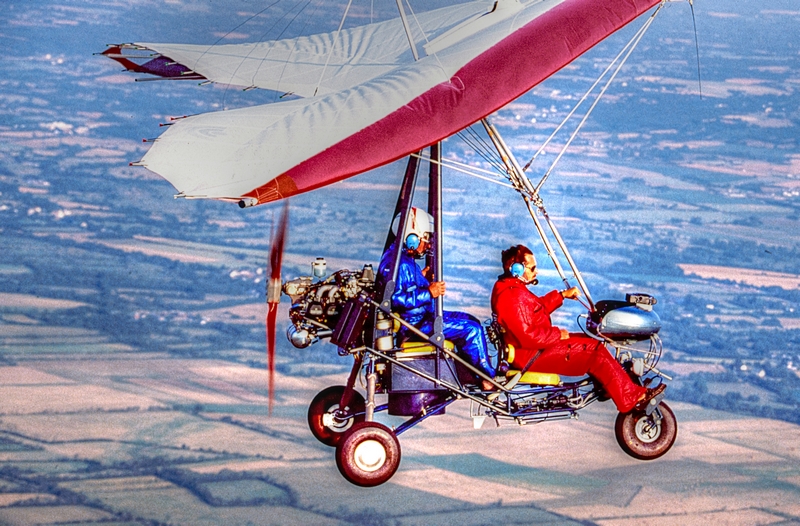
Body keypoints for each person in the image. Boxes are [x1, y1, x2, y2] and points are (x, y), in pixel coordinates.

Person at [490, 244, 665, 413]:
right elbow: (527, 335)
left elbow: (536, 310)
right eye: (532, 268)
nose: (537, 272)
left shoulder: (509, 288)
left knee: (590, 341)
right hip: (531, 354)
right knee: (594, 351)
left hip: (531, 350)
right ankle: (631, 398)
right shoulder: (513, 295)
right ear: (517, 270)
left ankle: (609, 385)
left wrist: (561, 296)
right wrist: (557, 335)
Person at [378, 207, 496, 388]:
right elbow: (394, 299)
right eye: (424, 239)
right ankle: (487, 377)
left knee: (471, 320)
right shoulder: (398, 263)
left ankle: (471, 373)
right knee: (471, 329)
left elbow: (407, 286)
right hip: (415, 325)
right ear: (411, 238)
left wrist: (423, 280)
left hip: (421, 318)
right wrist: (429, 292)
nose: (427, 245)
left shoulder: (403, 260)